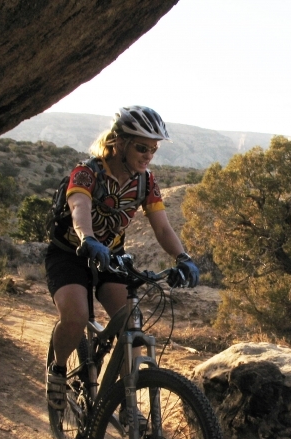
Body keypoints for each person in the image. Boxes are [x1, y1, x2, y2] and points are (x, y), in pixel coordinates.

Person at [45, 106, 199, 409]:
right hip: (69, 253)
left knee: (132, 328)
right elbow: (79, 209)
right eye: (142, 147)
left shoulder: (146, 182)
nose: (148, 155)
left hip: (111, 257)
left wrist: (183, 257)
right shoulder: (87, 173)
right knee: (75, 317)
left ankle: (126, 402)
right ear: (119, 142)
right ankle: (59, 370)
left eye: (153, 149)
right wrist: (88, 238)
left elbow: (163, 228)